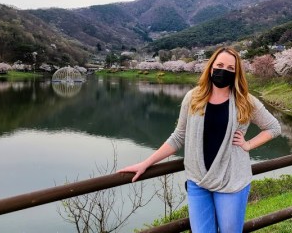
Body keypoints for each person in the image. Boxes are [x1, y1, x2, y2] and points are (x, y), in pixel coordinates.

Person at [118, 46, 281, 233]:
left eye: (230, 68)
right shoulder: (193, 97)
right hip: (198, 181)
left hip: (232, 180)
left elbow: (274, 127)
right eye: (219, 65)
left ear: (237, 73)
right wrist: (146, 163)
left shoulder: (245, 101)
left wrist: (248, 144)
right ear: (210, 67)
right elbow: (179, 136)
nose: (223, 71)